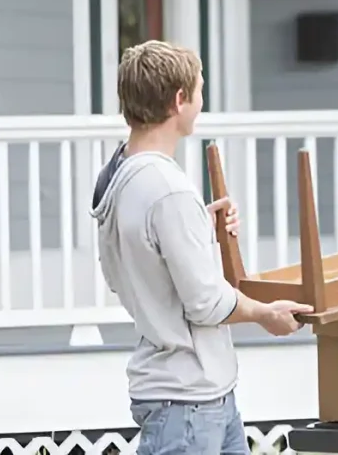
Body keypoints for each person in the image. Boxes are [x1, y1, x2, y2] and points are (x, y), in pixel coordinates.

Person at [91, 39, 313, 454]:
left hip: (198, 397)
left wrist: (199, 230)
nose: (200, 100)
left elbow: (138, 263)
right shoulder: (168, 190)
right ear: (179, 100)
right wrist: (266, 314)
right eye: (200, 89)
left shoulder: (121, 176)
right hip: (188, 404)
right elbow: (206, 303)